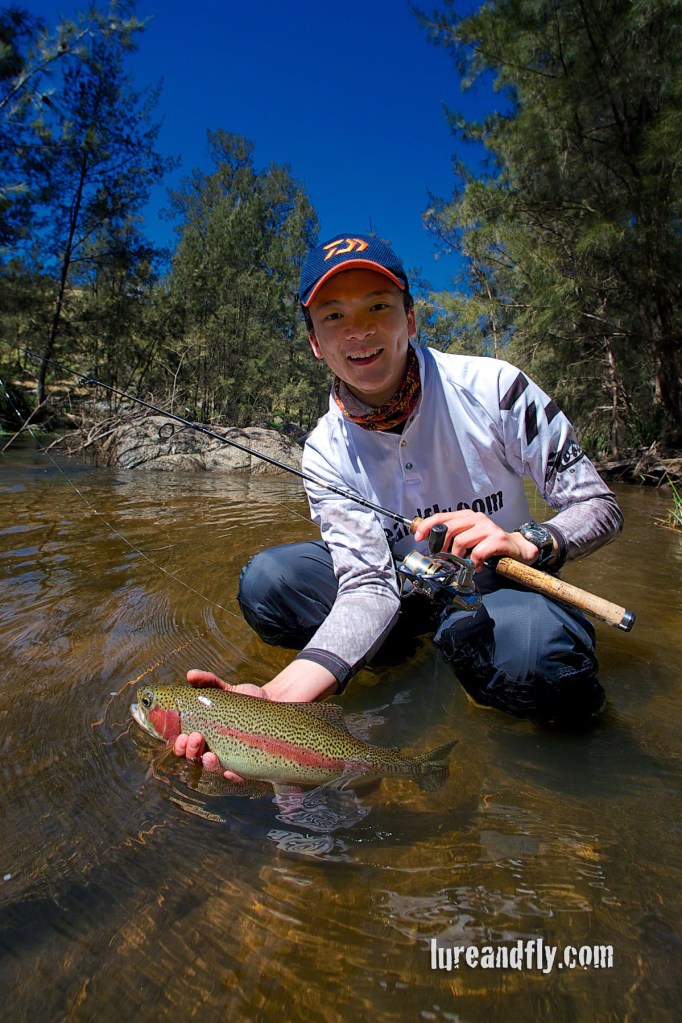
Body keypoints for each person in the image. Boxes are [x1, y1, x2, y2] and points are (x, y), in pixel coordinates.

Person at [175, 233, 623, 776]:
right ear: (315, 342)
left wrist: (528, 540)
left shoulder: (496, 388)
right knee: (270, 582)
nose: (358, 331)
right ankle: (399, 655)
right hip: (400, 594)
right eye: (333, 316)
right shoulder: (324, 450)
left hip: (500, 587)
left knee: (541, 660)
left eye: (377, 307)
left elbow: (597, 504)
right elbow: (367, 584)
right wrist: (276, 697)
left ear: (410, 319)